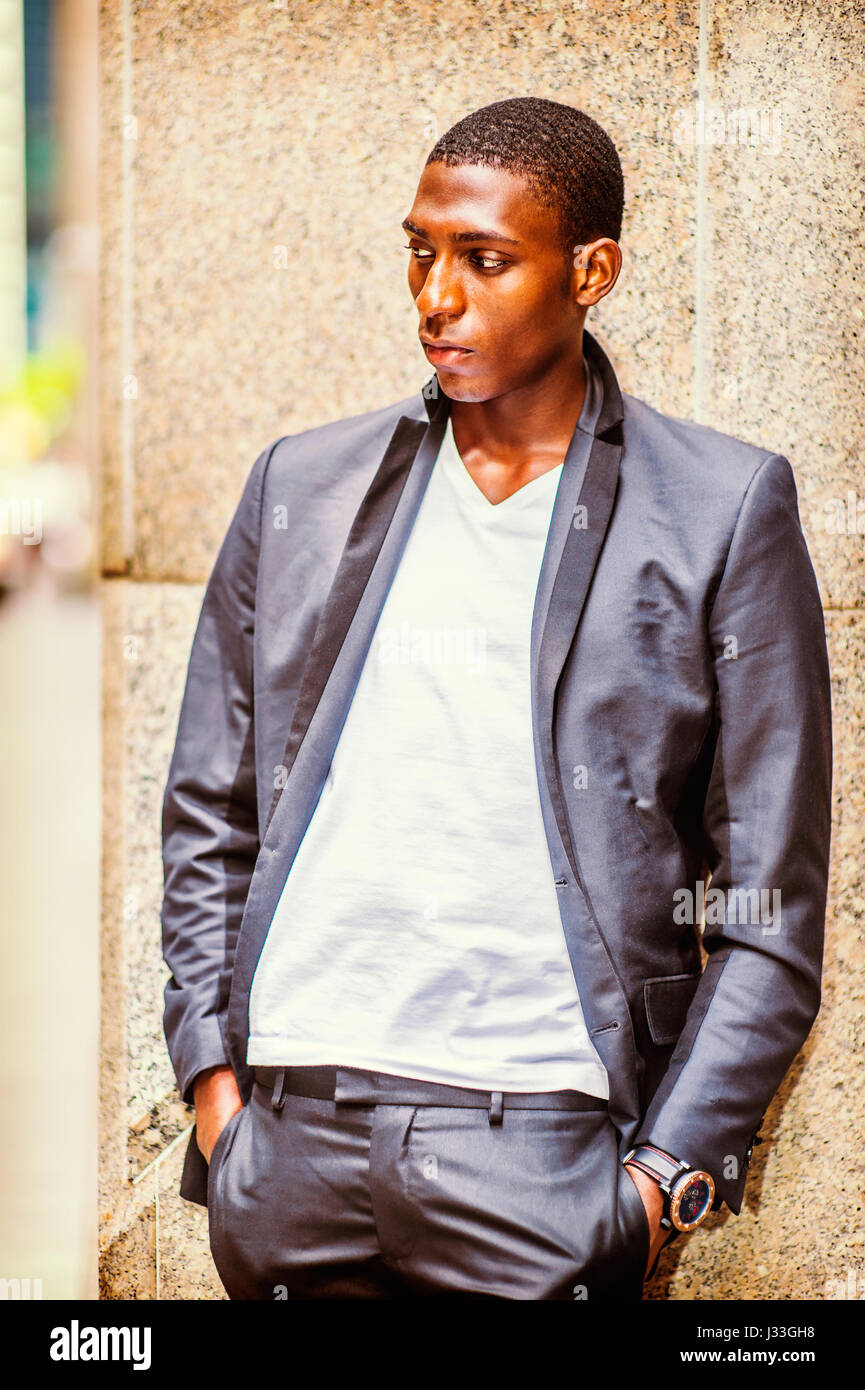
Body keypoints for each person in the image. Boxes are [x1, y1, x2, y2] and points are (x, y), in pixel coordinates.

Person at [160, 97, 832, 1301]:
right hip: (291, 1152)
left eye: (482, 260)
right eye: (420, 252)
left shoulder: (719, 508)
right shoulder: (299, 488)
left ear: (591, 271)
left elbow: (764, 897)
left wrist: (658, 1181)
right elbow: (209, 813)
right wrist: (217, 1095)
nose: (435, 295)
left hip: (542, 1163)